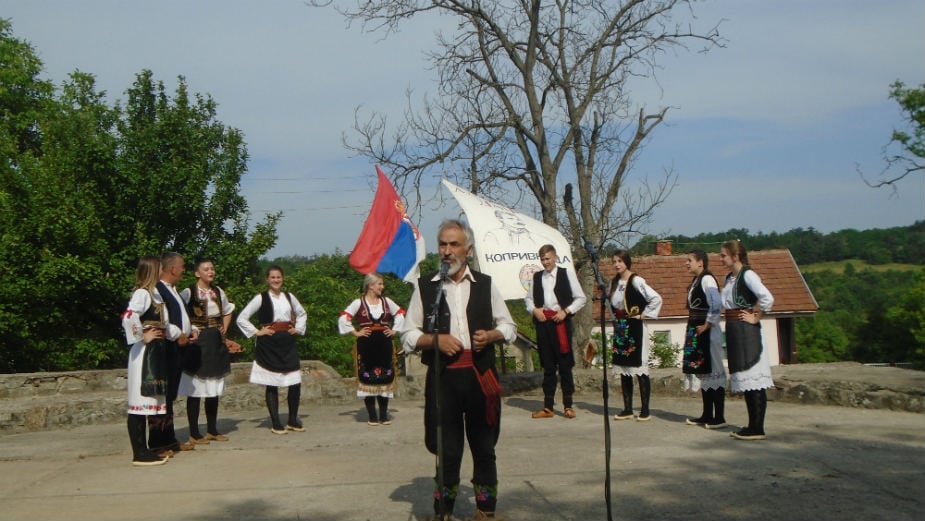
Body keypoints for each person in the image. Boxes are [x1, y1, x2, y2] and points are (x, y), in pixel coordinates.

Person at [400, 219, 517, 521]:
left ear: (468, 250)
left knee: (484, 448)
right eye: (442, 244)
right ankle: (443, 513)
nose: (447, 251)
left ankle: (486, 512)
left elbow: (510, 326)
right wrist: (434, 340)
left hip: (480, 377)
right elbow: (407, 335)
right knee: (448, 450)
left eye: (454, 244)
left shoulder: (486, 284)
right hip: (444, 379)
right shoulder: (426, 287)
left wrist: (492, 335)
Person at [236, 265, 308, 434]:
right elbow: (242, 318)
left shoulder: (289, 297)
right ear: (267, 280)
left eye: (279, 277)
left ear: (282, 278)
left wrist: (298, 328)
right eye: (273, 277)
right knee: (272, 383)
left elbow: (302, 313)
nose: (276, 280)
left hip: (287, 342)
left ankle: (292, 419)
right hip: (269, 343)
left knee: (295, 382)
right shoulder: (261, 298)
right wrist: (257, 332)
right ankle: (276, 421)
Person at [179, 258, 243, 445]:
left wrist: (224, 328)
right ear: (197, 273)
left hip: (215, 341)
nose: (211, 272)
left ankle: (212, 429)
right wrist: (189, 330)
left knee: (213, 387)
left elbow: (228, 310)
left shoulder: (217, 291)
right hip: (197, 343)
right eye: (206, 269)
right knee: (196, 387)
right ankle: (193, 431)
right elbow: (179, 313)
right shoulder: (188, 292)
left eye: (212, 268)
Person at [719, 240, 775, 440]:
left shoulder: (748, 275)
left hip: (747, 331)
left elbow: (767, 298)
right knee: (745, 379)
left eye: (724, 255)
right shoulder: (729, 278)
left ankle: (757, 427)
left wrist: (756, 316)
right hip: (735, 330)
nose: (721, 258)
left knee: (754, 377)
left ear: (735, 257)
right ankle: (752, 424)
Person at [525, 244, 587, 419]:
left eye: (548, 259)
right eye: (543, 259)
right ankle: (548, 406)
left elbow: (581, 298)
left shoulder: (566, 274)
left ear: (555, 257)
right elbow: (528, 300)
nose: (545, 263)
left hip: (561, 323)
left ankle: (568, 405)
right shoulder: (537, 277)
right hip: (544, 323)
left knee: (565, 365)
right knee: (548, 365)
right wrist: (535, 310)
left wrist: (566, 311)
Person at [338, 272, 406, 426]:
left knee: (385, 376)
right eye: (380, 284)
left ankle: (383, 415)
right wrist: (356, 332)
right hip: (366, 345)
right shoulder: (358, 303)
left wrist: (394, 330)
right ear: (370, 285)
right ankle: (372, 416)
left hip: (384, 344)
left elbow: (401, 313)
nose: (382, 287)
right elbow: (344, 317)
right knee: (367, 377)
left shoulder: (387, 301)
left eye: (382, 284)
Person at [120, 256, 170, 466]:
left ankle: (145, 449)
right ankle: (139, 452)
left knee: (150, 400)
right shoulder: (142, 294)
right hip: (143, 354)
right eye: (159, 268)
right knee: (139, 402)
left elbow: (165, 323)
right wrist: (142, 336)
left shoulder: (155, 294)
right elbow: (128, 316)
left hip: (155, 352)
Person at [150, 252, 199, 454]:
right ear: (172, 269)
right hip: (167, 348)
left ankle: (169, 439)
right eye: (182, 266)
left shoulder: (174, 290)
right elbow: (162, 320)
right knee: (161, 397)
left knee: (169, 397)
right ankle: (157, 442)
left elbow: (182, 316)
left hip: (180, 347)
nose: (183, 270)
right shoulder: (158, 290)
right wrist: (178, 334)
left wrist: (191, 330)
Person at [607, 250, 662, 421]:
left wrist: (643, 315)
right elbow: (611, 305)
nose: (617, 264)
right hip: (621, 328)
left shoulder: (636, 281)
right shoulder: (613, 283)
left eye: (620, 261)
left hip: (635, 327)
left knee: (639, 368)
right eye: (615, 261)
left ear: (627, 262)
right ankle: (628, 408)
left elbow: (656, 298)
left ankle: (645, 409)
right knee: (624, 369)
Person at [681, 250, 727, 429]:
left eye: (689, 260)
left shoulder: (707, 280)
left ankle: (719, 417)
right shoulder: (696, 281)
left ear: (700, 262)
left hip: (707, 331)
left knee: (714, 369)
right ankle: (707, 414)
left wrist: (708, 324)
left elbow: (716, 303)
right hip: (697, 329)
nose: (687, 263)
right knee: (704, 371)